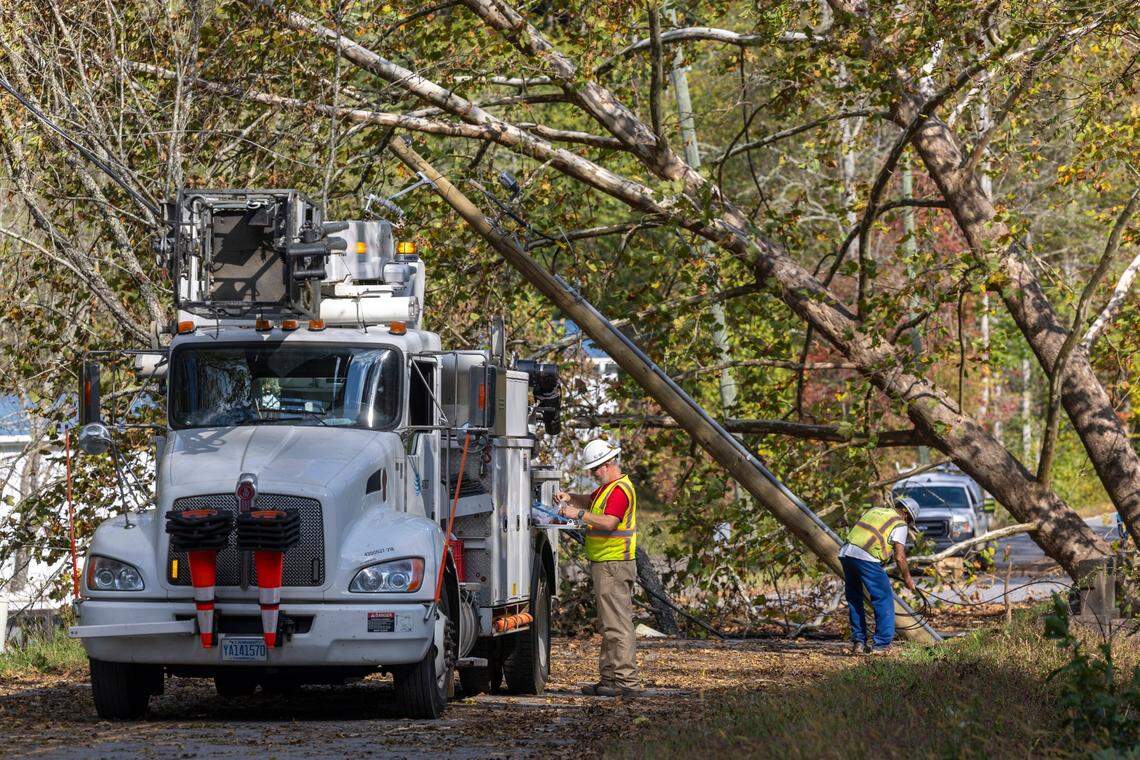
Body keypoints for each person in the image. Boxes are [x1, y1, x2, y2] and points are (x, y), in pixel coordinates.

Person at [555, 438, 641, 698]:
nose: (593, 473)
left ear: (608, 464)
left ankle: (626, 684)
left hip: (614, 564)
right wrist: (571, 498)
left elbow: (608, 523)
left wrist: (578, 515)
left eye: (595, 469)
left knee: (618, 626)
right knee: (609, 625)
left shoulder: (618, 491)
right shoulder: (607, 489)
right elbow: (589, 501)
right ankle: (610, 681)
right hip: (606, 564)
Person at [839, 495, 920, 654]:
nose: (908, 524)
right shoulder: (900, 524)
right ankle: (881, 645)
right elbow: (900, 556)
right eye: (910, 521)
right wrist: (908, 579)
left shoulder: (875, 510)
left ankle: (858, 642)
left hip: (846, 553)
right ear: (906, 513)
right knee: (883, 599)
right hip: (866, 558)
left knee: (855, 599)